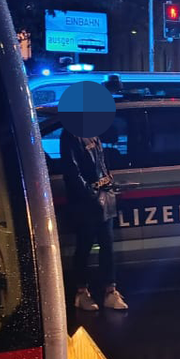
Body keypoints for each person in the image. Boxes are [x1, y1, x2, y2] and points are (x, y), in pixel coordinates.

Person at [59, 127, 128, 311]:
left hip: (104, 199)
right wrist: (91, 194)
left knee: (107, 246)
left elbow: (102, 164)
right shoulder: (70, 135)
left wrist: (109, 184)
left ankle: (110, 292)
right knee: (84, 246)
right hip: (85, 203)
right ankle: (82, 293)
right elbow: (72, 172)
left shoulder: (93, 132)